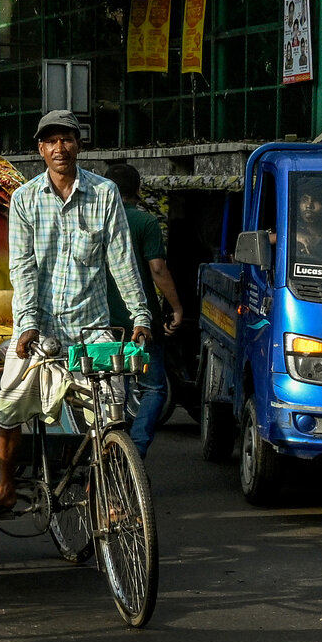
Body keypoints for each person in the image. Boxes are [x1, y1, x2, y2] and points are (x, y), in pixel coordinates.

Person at [0, 110, 152, 528]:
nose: (59, 148)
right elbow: (23, 268)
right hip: (40, 327)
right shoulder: (25, 199)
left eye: (66, 139)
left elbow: (121, 260)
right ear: (40, 150)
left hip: (91, 328)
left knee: (111, 411)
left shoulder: (105, 195)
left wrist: (141, 315)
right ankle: (5, 487)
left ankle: (98, 494)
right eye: (50, 141)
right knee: (8, 404)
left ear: (78, 144)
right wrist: (28, 322)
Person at [103, 162, 184, 458]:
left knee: (112, 389)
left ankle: (112, 445)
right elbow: (158, 269)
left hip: (102, 322)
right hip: (141, 323)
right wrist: (176, 307)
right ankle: (135, 448)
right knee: (153, 388)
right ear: (137, 191)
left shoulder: (96, 221)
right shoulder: (145, 222)